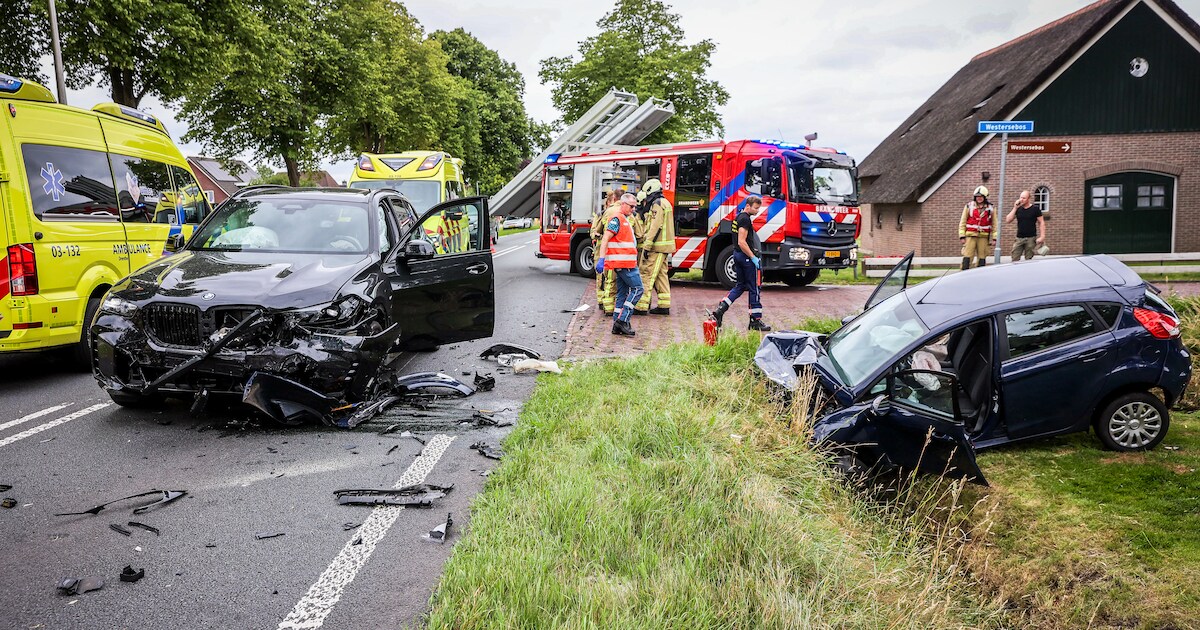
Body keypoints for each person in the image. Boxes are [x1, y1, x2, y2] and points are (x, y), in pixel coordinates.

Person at [712, 196, 772, 331]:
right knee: (754, 288)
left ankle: (721, 309)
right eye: (756, 208)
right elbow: (741, 241)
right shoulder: (745, 219)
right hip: (745, 257)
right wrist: (752, 257)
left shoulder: (738, 217)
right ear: (748, 206)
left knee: (739, 287)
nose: (757, 211)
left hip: (737, 255)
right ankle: (755, 320)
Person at [595, 193, 644, 336]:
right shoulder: (617, 219)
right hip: (625, 263)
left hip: (624, 262)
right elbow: (605, 238)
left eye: (635, 206)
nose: (634, 209)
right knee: (638, 289)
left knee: (622, 293)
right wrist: (601, 259)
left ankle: (617, 324)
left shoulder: (625, 219)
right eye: (631, 206)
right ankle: (622, 320)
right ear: (623, 204)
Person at [634, 179, 676, 315]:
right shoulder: (665, 202)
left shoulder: (657, 204)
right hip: (663, 247)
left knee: (646, 274)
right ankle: (664, 305)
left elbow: (655, 226)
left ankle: (641, 306)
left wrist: (647, 246)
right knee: (661, 275)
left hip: (656, 247)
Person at [591, 189, 622, 314]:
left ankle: (605, 302)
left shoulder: (607, 213)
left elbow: (595, 232)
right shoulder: (602, 214)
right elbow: (594, 232)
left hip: (607, 251)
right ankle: (604, 302)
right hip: (607, 251)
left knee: (606, 278)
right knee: (606, 278)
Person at [958, 185, 996, 270]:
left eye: (981, 196)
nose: (979, 198)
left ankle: (980, 277)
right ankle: (963, 275)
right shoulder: (969, 206)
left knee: (982, 258)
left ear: (985, 197)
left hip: (983, 237)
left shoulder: (991, 208)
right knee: (967, 257)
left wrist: (994, 238)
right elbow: (963, 221)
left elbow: (994, 224)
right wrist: (962, 236)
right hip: (970, 236)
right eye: (977, 196)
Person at [1006, 190, 1046, 261]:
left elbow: (1041, 222)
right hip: (1019, 238)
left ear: (1028, 199)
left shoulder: (1035, 209)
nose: (1021, 199)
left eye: (1024, 198)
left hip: (1031, 238)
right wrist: (1015, 208)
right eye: (1020, 197)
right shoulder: (1018, 209)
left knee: (1028, 260)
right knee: (1014, 258)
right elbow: (1008, 220)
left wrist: (1042, 236)